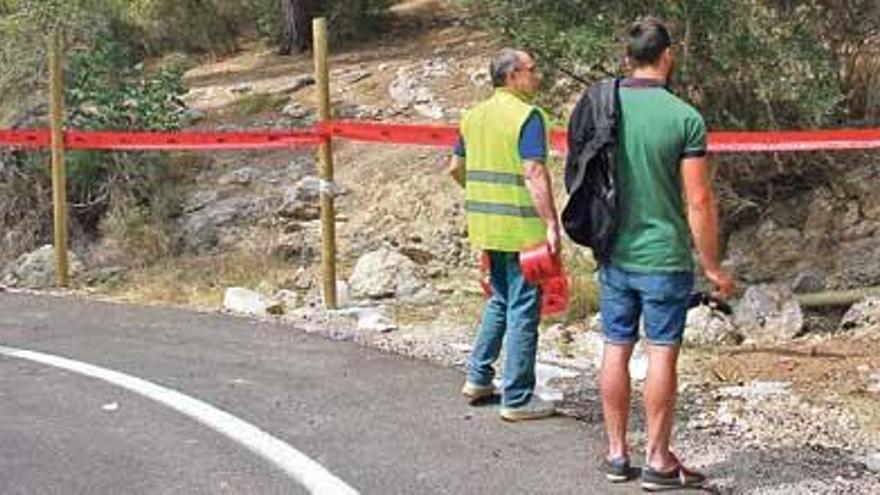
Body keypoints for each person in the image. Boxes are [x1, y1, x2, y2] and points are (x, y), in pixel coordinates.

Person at [586, 17, 736, 489]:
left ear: (628, 59)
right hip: (664, 257)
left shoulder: (604, 108)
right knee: (662, 355)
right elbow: (697, 200)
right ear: (667, 56)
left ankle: (615, 453)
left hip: (613, 253)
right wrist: (712, 265)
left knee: (615, 347)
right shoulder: (684, 117)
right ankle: (657, 459)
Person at [448, 48, 561, 421]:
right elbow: (533, 172)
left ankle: (479, 377)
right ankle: (517, 397)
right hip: (521, 230)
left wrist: (484, 197)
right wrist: (550, 223)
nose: (537, 75)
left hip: (486, 226)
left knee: (500, 298)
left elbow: (455, 168)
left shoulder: (472, 116)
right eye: (532, 69)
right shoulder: (528, 117)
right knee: (524, 308)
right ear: (513, 76)